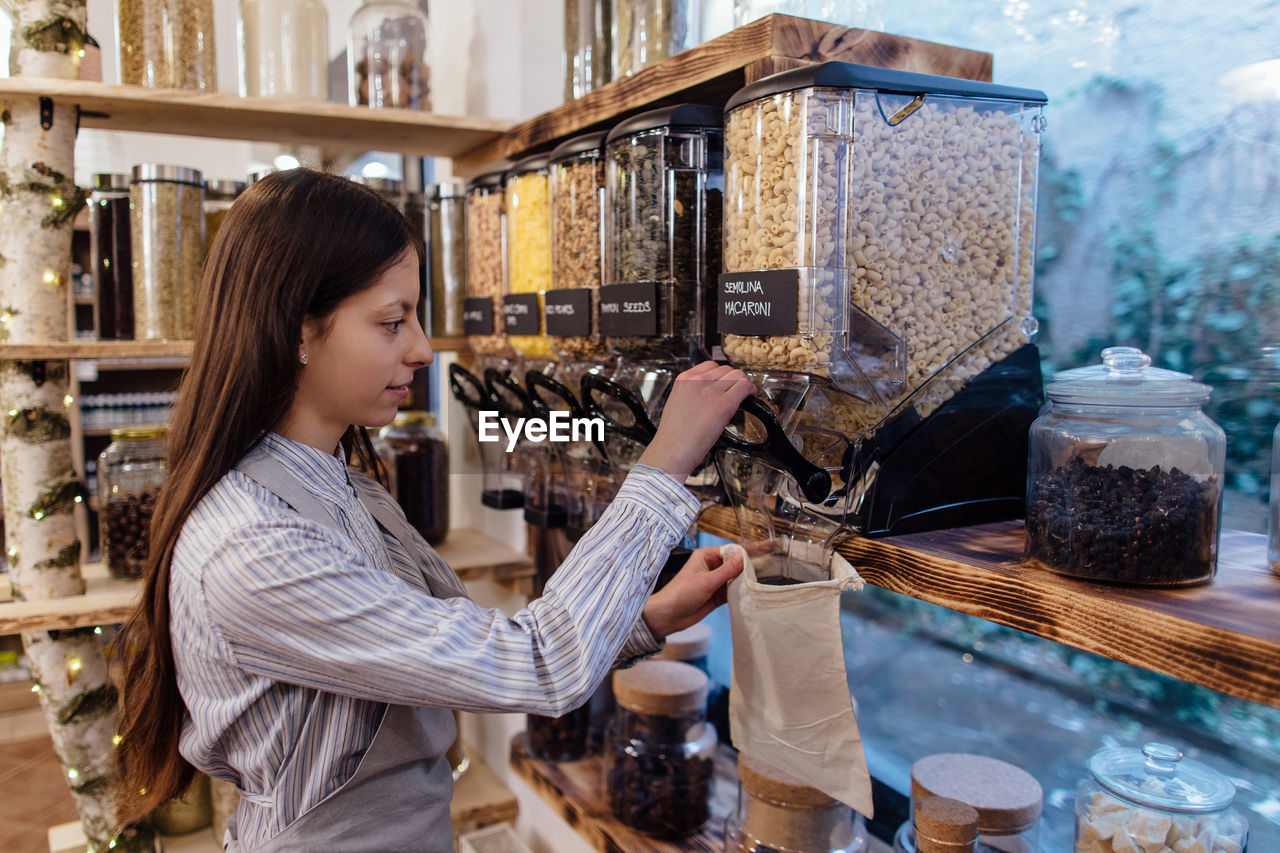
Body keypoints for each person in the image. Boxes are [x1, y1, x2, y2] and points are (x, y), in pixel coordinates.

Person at [114, 168, 755, 851]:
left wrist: (644, 615)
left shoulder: (337, 481)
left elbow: (457, 648)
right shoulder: (253, 544)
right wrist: (666, 459)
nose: (421, 348)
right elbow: (539, 663)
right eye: (393, 322)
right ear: (298, 329)